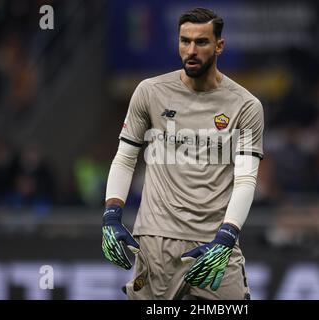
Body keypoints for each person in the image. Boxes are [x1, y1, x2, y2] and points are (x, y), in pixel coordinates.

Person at [101, 7, 264, 300]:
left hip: (216, 243)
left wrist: (227, 236)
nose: (191, 50)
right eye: (184, 41)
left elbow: (246, 179)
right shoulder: (149, 92)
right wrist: (112, 215)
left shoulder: (246, 106)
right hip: (157, 239)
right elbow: (125, 157)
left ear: (219, 46)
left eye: (201, 42)